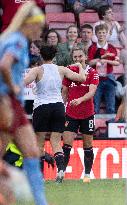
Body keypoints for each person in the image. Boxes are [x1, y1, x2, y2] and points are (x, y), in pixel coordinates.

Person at [0, 2, 48, 205]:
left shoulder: (8, 38)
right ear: (29, 24)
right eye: (38, 26)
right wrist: (14, 87)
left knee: (32, 151)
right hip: (6, 102)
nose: (40, 30)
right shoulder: (17, 41)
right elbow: (4, 65)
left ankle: (40, 202)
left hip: (11, 103)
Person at [24, 44, 86, 183]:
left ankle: (40, 177)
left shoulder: (37, 70)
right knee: (56, 141)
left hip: (42, 107)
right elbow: (82, 78)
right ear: (54, 56)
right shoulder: (62, 69)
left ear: (41, 56)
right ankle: (60, 170)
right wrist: (81, 66)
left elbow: (23, 83)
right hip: (58, 107)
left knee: (39, 143)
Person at [62, 47, 99, 183]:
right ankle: (61, 174)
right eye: (75, 57)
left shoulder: (93, 73)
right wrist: (62, 107)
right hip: (70, 114)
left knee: (88, 145)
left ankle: (87, 175)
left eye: (80, 56)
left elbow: (91, 92)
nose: (77, 59)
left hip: (87, 114)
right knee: (66, 145)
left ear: (85, 57)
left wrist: (80, 100)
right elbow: (65, 92)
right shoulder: (69, 72)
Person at [88, 23, 120, 114]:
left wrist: (106, 61)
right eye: (99, 33)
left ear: (107, 34)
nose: (101, 35)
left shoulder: (111, 48)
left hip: (109, 78)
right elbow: (89, 63)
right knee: (95, 106)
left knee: (111, 105)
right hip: (96, 78)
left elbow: (117, 62)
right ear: (96, 34)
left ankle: (111, 127)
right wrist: (101, 58)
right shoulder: (92, 48)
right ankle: (93, 127)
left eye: (103, 32)